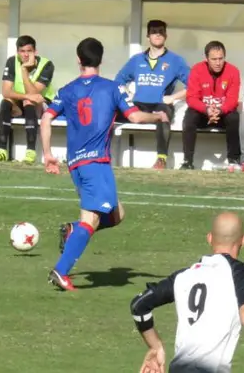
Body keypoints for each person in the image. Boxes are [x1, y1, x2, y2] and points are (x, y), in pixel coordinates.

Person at [40, 37, 169, 292]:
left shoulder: (66, 90)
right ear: (101, 59)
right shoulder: (112, 89)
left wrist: (48, 154)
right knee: (91, 219)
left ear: (79, 59)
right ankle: (61, 270)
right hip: (96, 163)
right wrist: (158, 115)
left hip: (76, 165)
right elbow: (134, 115)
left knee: (117, 214)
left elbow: (45, 118)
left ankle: (73, 231)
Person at [130, 212, 244, 373]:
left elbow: (139, 306)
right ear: (243, 240)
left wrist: (155, 347)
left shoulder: (183, 276)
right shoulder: (241, 274)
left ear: (210, 238)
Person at [115, 19, 190, 169]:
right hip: (139, 105)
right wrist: (127, 94)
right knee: (109, 112)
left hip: (160, 104)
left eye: (161, 31)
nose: (158, 34)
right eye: (154, 31)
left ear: (166, 36)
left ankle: (161, 159)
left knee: (163, 115)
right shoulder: (136, 60)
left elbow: (194, 86)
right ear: (148, 36)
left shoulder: (175, 60)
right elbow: (118, 81)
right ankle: (101, 154)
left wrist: (173, 98)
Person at [0, 35, 55, 163]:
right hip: (22, 100)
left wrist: (24, 70)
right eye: (22, 51)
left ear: (35, 52)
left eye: (29, 51)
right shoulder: (12, 61)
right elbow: (6, 91)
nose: (25, 55)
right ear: (17, 52)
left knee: (29, 101)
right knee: (6, 101)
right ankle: (2, 150)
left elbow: (34, 94)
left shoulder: (46, 65)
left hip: (42, 104)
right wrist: (26, 96)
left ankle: (31, 151)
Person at [181, 41, 241, 170]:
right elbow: (191, 98)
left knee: (234, 117)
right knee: (190, 117)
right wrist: (206, 109)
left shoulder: (233, 71)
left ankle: (234, 160)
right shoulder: (197, 70)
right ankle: (187, 161)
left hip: (222, 114)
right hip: (203, 114)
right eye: (214, 59)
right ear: (206, 59)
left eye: (221, 58)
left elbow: (232, 99)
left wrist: (220, 110)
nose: (218, 63)